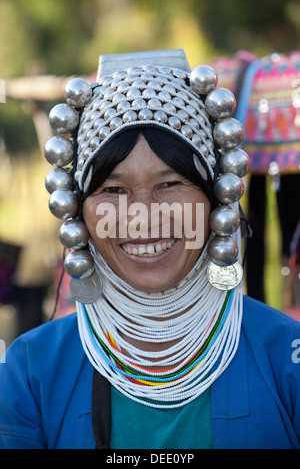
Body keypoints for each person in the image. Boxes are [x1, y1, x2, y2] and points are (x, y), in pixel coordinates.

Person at [0, 49, 300, 450]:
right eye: (113, 190)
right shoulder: (29, 374)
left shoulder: (286, 360)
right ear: (78, 211)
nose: (142, 218)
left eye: (170, 184)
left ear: (216, 199)